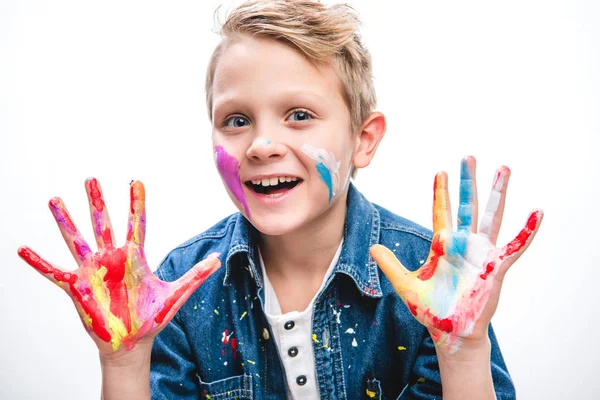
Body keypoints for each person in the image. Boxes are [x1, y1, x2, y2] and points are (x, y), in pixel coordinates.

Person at [18, 1, 543, 399]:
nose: (263, 145)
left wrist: (463, 352)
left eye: (298, 114)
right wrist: (124, 364)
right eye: (237, 120)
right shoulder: (180, 287)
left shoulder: (431, 282)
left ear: (364, 139)